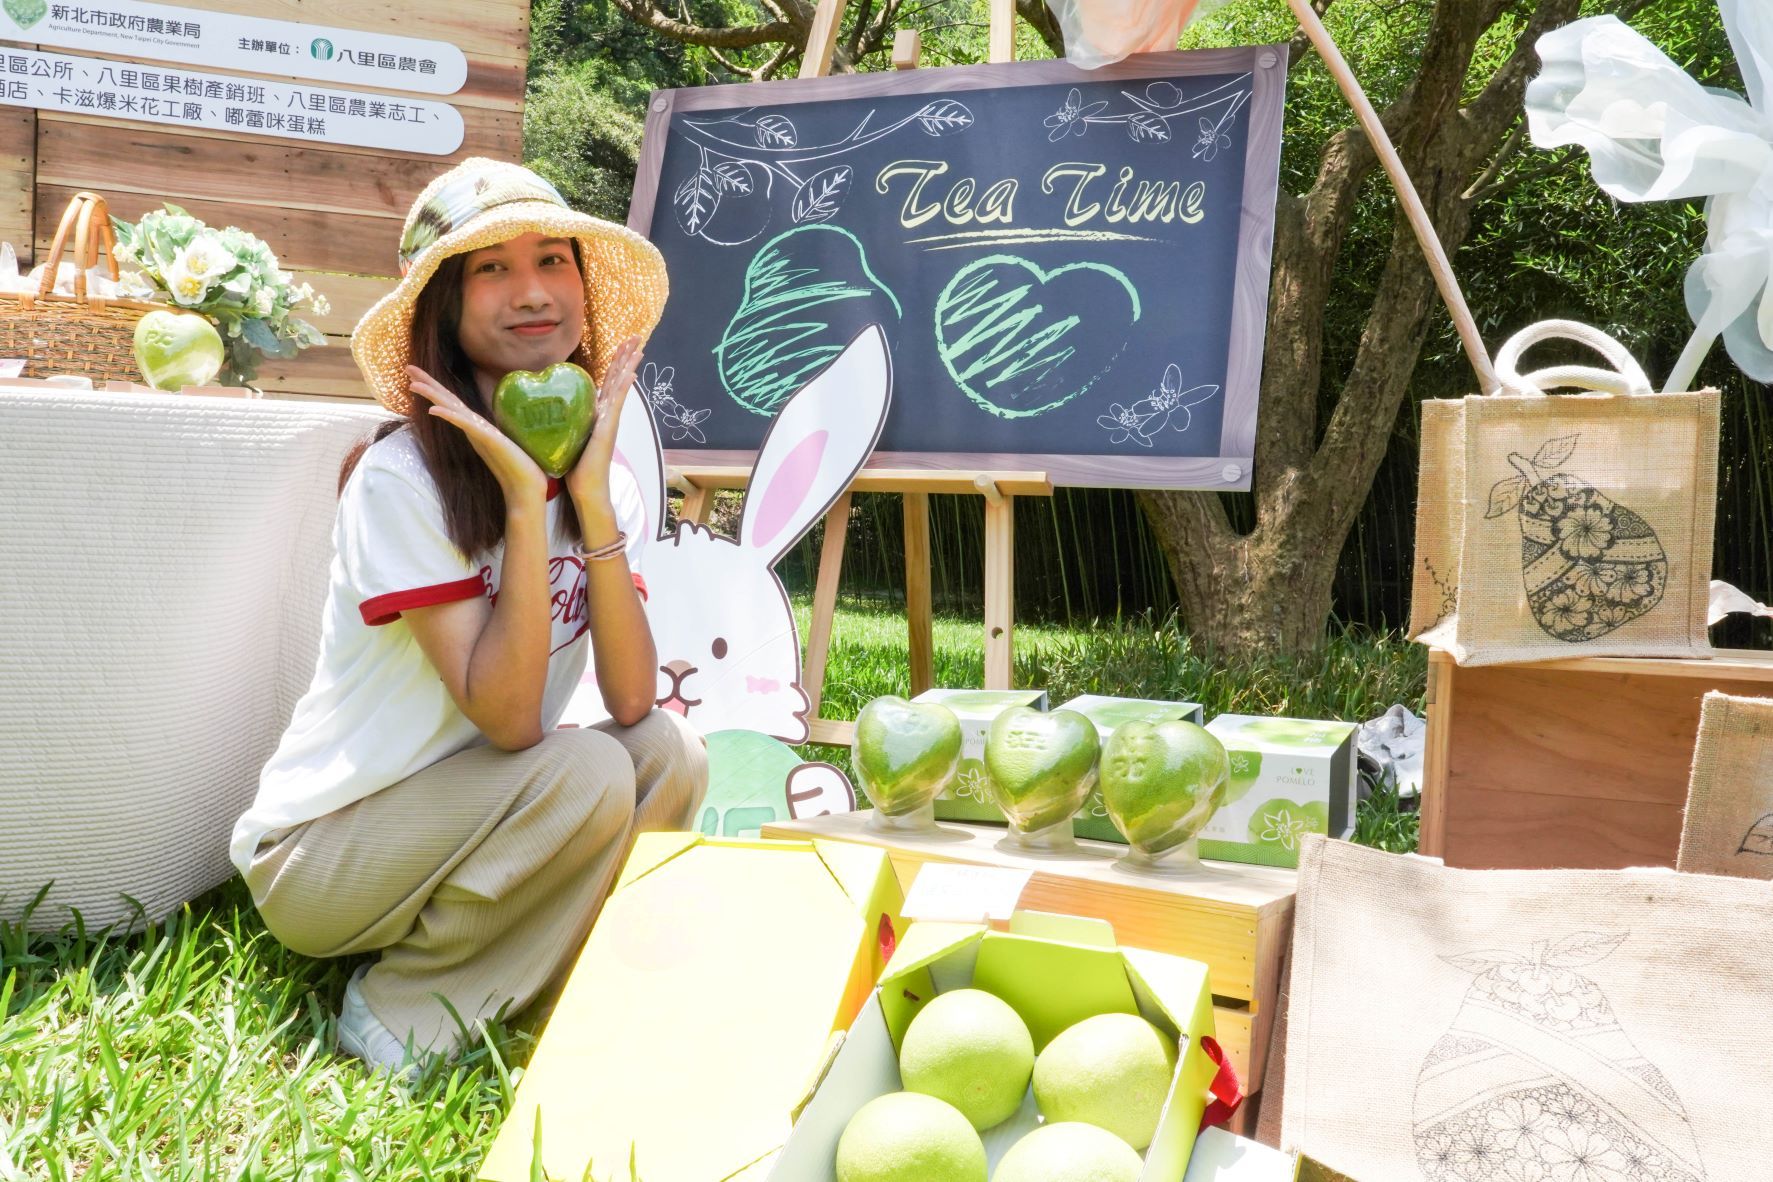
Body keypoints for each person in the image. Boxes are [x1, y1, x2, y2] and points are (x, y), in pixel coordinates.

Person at [227, 158, 707, 1075]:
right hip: (326, 853)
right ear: (444, 307)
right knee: (584, 768)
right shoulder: (403, 481)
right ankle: (404, 1014)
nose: (532, 293)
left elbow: (635, 697)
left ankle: (569, 982)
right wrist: (525, 508)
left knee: (668, 754)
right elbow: (513, 720)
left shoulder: (602, 478)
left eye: (554, 261)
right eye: (490, 269)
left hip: (474, 811)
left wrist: (590, 507)